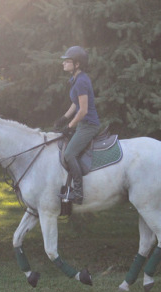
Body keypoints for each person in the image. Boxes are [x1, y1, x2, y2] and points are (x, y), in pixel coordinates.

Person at [54, 46, 101, 205]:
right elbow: (76, 105)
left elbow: (83, 110)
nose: (64, 64)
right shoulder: (76, 79)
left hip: (89, 125)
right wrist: (64, 118)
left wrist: (69, 126)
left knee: (69, 154)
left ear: (77, 64)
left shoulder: (81, 81)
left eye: (67, 61)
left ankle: (78, 193)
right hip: (83, 124)